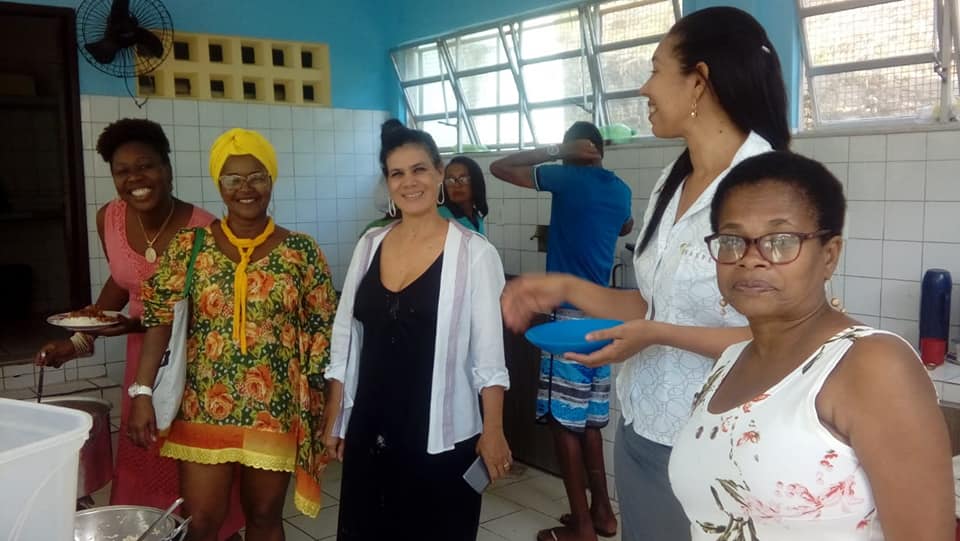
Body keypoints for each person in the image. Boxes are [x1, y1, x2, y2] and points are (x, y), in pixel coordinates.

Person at [500, 7, 791, 541]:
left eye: (656, 70)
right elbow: (655, 306)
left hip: (723, 446)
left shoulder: (769, 187)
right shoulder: (672, 183)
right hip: (644, 430)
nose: (644, 87)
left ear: (698, 81)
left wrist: (654, 334)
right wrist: (566, 288)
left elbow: (785, 342)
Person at [670, 150, 954, 540]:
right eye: (732, 240)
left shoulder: (872, 364)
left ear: (829, 255)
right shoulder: (728, 363)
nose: (750, 259)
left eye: (781, 241)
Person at [34, 118, 244, 540]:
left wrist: (136, 322)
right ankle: (150, 531)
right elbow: (121, 282)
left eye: (145, 166)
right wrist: (78, 340)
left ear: (167, 168)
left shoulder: (205, 230)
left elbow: (214, 314)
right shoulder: (109, 218)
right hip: (142, 368)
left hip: (196, 369)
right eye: (122, 171)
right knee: (144, 456)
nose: (135, 178)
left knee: (197, 469)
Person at [128, 128, 336, 541]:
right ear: (219, 185)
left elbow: (323, 334)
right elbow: (160, 320)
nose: (245, 188)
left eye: (257, 177)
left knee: (264, 516)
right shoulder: (190, 245)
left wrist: (330, 410)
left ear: (271, 180)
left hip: (274, 410)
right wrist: (142, 392)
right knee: (202, 521)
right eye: (233, 179)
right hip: (203, 405)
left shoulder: (302, 252)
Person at [323, 119, 511, 541]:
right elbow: (345, 335)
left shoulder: (475, 254)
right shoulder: (369, 245)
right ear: (388, 183)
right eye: (397, 173)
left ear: (439, 173)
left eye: (419, 169)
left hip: (440, 433)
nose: (409, 182)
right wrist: (336, 415)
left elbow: (489, 357)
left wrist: (494, 430)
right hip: (371, 424)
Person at [490, 121, 632, 541]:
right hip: (604, 315)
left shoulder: (565, 177)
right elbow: (625, 226)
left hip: (568, 319)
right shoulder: (620, 189)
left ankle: (583, 527)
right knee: (588, 420)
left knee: (562, 420)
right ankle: (603, 513)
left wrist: (556, 151)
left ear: (575, 149)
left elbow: (500, 168)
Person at [438, 155, 489, 234]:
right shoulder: (440, 216)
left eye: (463, 179)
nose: (456, 185)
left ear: (476, 182)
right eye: (450, 180)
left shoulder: (477, 216)